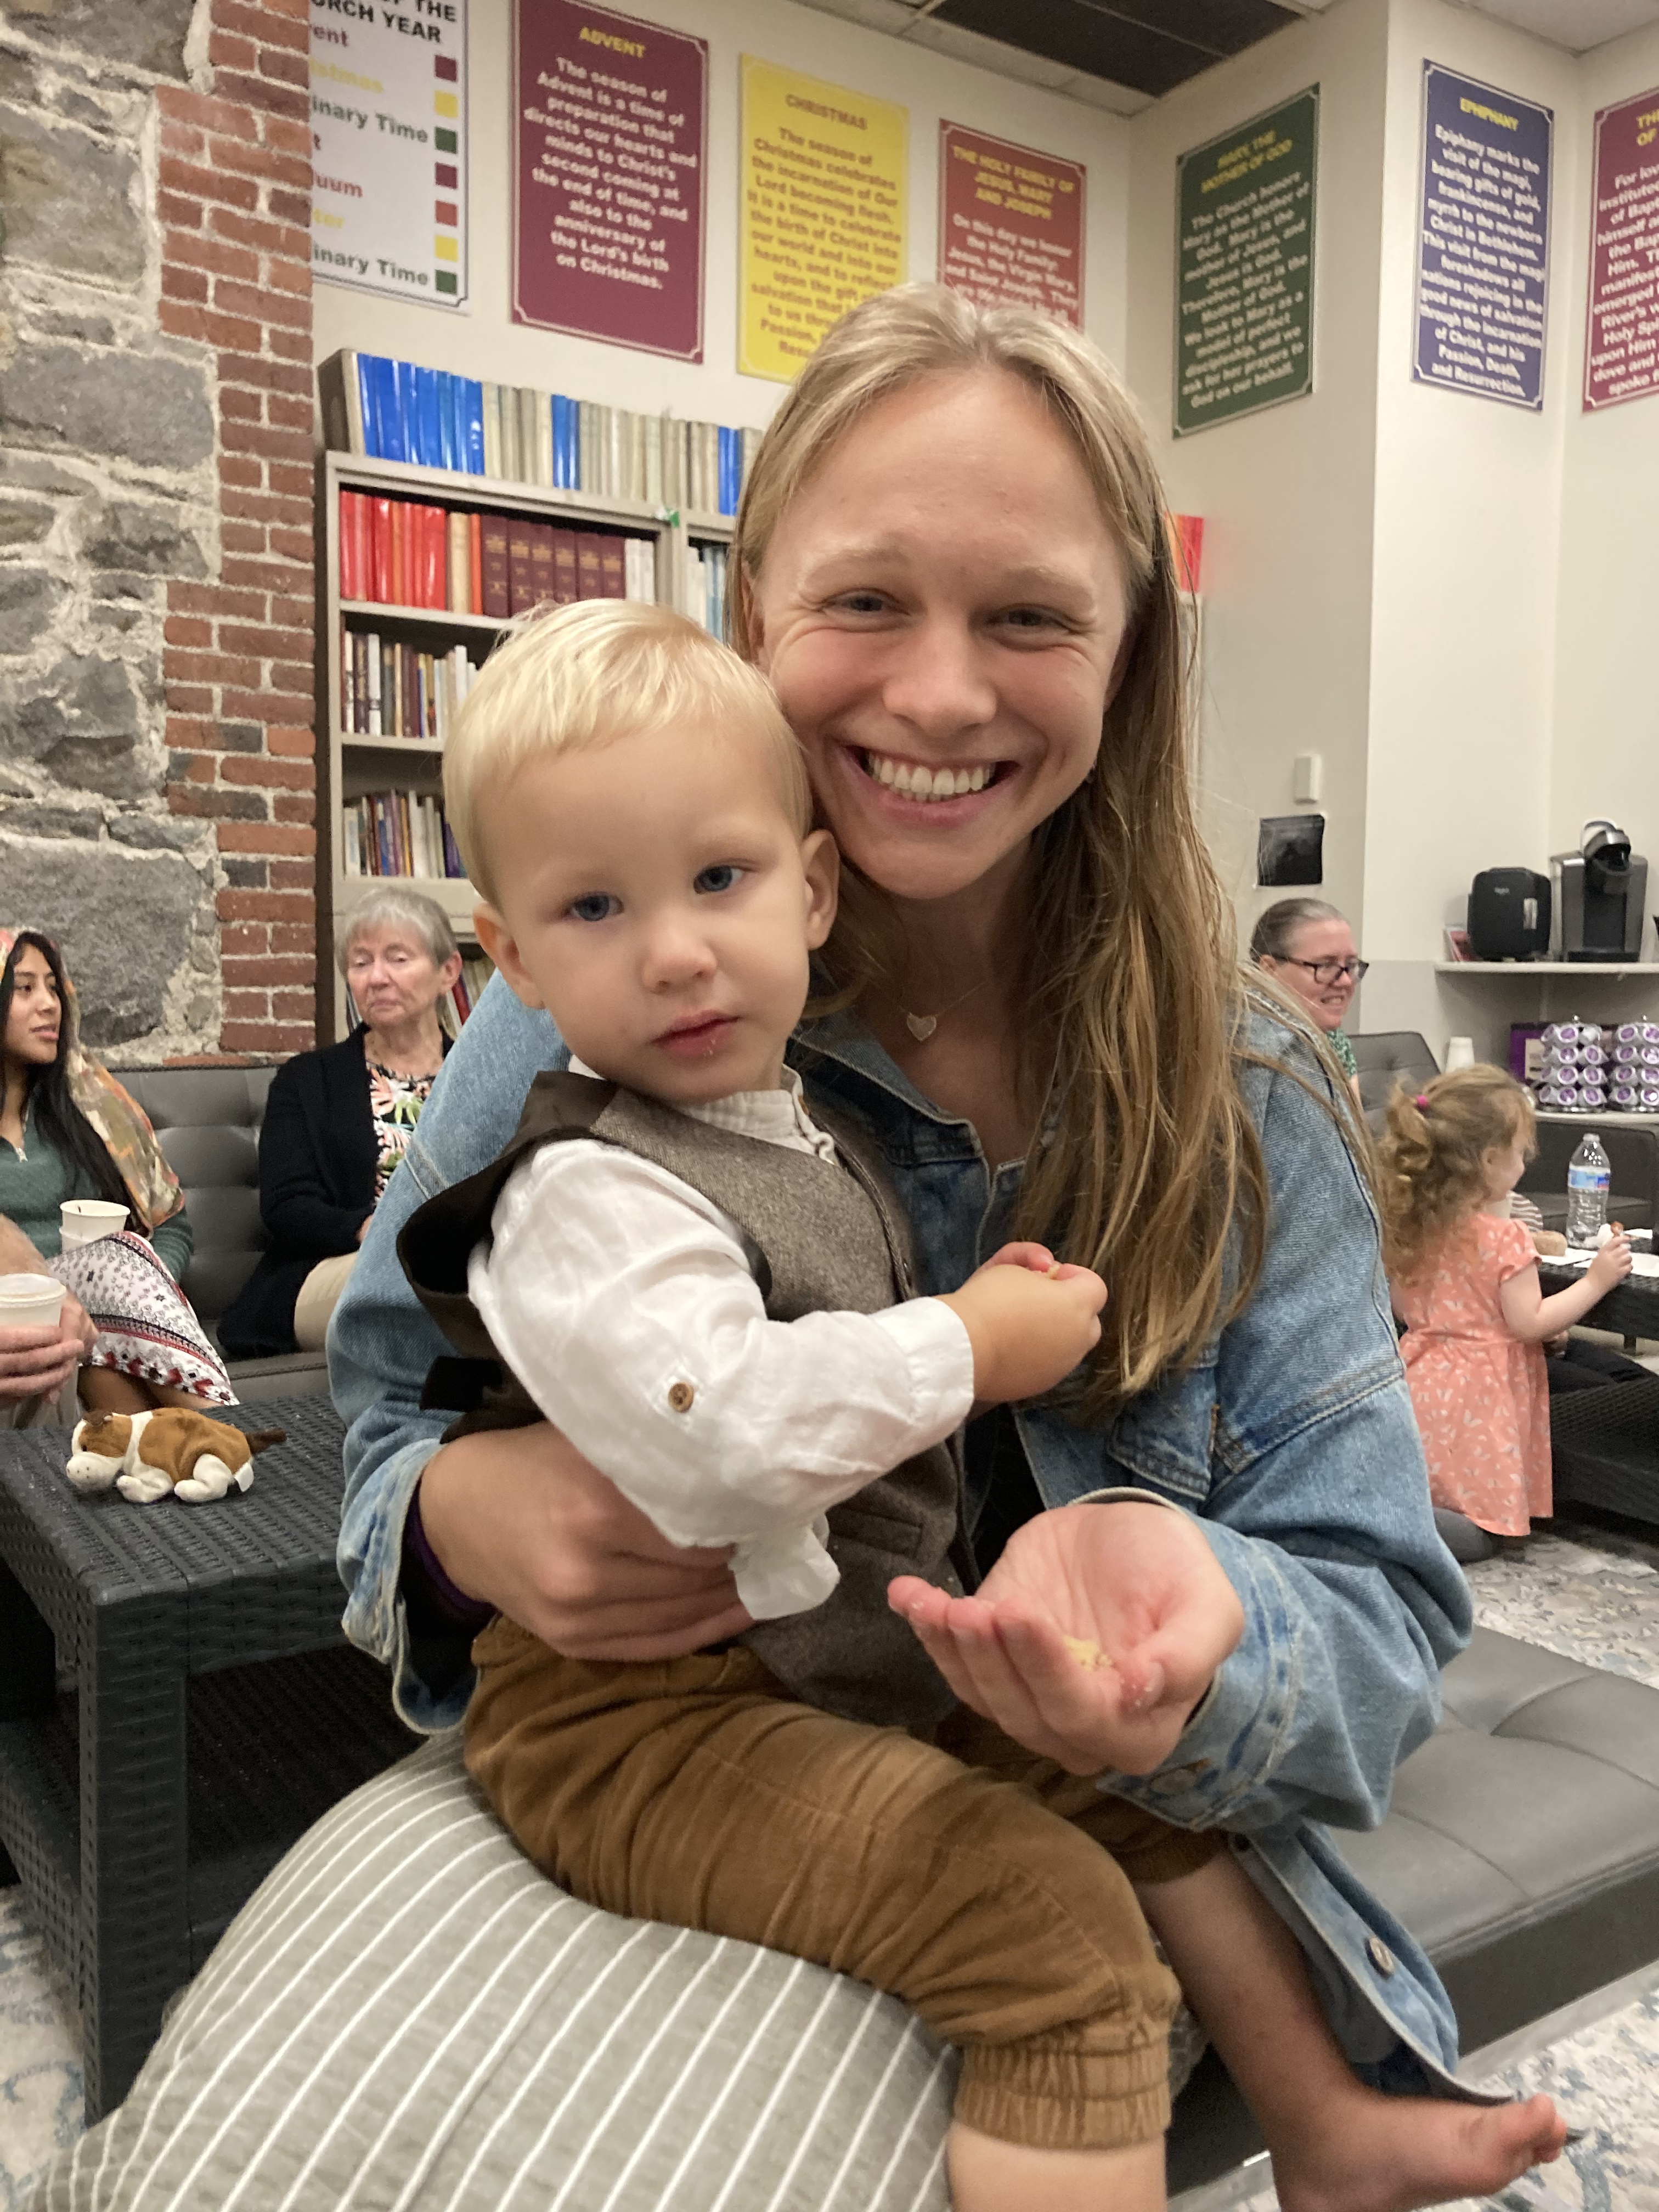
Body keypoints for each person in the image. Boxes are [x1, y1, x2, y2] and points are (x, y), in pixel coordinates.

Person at [331, 287, 1561, 2201]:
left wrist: (1208, 1628)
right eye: (865, 600)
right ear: (756, 616)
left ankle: (1331, 2130)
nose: (936, 696)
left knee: (1072, 1903)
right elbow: (380, 1421)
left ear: (1131, 654)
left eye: (1031, 617)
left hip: (969, 1739)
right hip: (678, 1753)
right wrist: (452, 1517)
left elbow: (1384, 1625)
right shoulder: (607, 990)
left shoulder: (1249, 1087)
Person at [1378, 1066, 1633, 1539]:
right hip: (1482, 1394)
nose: (1524, 1163)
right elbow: (1529, 1322)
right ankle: (1402, 1534)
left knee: (1430, 1487)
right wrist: (1596, 1281)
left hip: (1418, 1378)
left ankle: (1394, 1517)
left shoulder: (1413, 1227)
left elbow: (1400, 1305)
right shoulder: (1505, 1238)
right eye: (1520, 1153)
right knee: (1484, 1526)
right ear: (1490, 1161)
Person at [0, 924, 234, 1426]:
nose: (49, 1004)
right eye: (24, 989)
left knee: (110, 1287)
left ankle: (208, 1445)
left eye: (54, 988)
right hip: (22, 1327)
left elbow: (170, 1223)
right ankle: (230, 1432)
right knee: (104, 1276)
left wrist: (138, 1301)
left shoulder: (91, 1106)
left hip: (103, 1334)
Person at [218, 888, 461, 1360]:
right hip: (331, 1270)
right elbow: (287, 1207)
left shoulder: (478, 1079)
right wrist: (372, 1229)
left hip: (461, 1268)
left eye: (398, 959)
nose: (377, 978)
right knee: (416, 1274)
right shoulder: (307, 1081)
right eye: (361, 963)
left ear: (448, 972)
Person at [1250, 898, 1366, 1106]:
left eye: (1351, 965)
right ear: (1269, 970)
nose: (1346, 981)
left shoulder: (1333, 1039)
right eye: (1325, 965)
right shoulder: (1254, 1048)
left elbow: (1353, 1124)